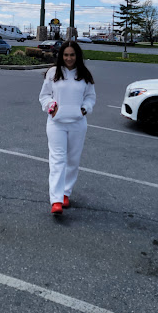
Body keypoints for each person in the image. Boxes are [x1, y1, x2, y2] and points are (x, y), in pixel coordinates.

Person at [39, 40, 96, 214]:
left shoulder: (84, 74)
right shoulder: (53, 73)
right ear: (61, 55)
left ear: (77, 56)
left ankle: (65, 193)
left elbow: (90, 97)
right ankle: (56, 200)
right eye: (66, 55)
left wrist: (84, 109)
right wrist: (51, 107)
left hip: (77, 124)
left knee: (72, 160)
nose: (69, 58)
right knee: (57, 160)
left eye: (72, 55)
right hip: (56, 124)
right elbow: (44, 95)